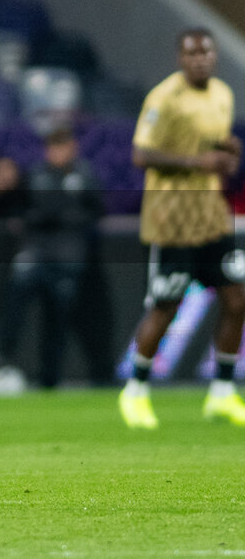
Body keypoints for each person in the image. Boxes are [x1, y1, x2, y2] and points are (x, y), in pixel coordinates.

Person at [120, 28, 245, 428]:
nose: (199, 59)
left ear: (214, 56)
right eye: (191, 53)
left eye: (205, 52)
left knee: (238, 298)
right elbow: (140, 154)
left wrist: (229, 156)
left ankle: (222, 394)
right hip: (171, 219)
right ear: (180, 58)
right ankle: (136, 391)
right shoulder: (164, 97)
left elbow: (215, 148)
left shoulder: (223, 95)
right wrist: (196, 163)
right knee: (165, 308)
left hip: (210, 215)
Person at [0, 128, 106, 392]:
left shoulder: (85, 175)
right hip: (36, 252)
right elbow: (13, 208)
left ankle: (50, 375)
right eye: (53, 146)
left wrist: (55, 217)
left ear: (73, 147)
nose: (57, 153)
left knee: (58, 316)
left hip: (69, 255)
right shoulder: (35, 174)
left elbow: (96, 212)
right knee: (15, 302)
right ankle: (3, 360)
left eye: (62, 145)